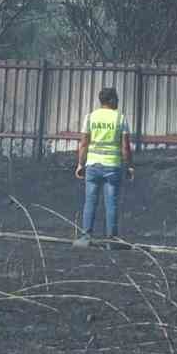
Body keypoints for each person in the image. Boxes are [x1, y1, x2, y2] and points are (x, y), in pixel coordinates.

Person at [73, 87, 134, 248]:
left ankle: (85, 238)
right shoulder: (120, 118)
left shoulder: (90, 117)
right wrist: (129, 166)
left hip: (92, 165)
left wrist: (80, 164)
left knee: (90, 201)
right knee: (111, 202)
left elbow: (84, 143)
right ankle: (111, 241)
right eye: (117, 100)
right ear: (112, 100)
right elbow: (125, 147)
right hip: (112, 166)